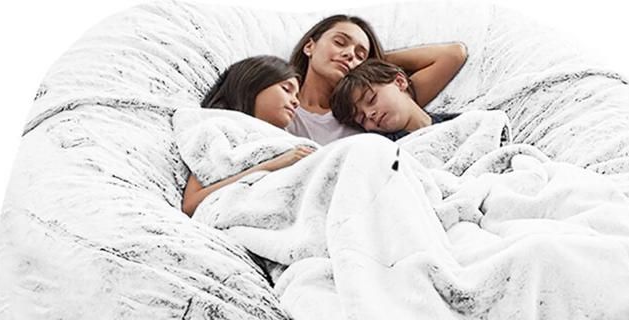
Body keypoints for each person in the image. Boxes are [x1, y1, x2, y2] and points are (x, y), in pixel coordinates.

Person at [286, 14, 468, 145]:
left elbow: (454, 54)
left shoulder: (384, 102)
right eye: (339, 42)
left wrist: (375, 63)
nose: (350, 54)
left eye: (360, 55)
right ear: (309, 46)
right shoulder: (282, 106)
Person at [181, 55, 316, 217]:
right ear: (254, 85)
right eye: (286, 89)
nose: (296, 102)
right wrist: (273, 165)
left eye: (297, 96)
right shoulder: (220, 129)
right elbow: (191, 204)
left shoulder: (287, 141)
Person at [330, 58, 461, 141]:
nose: (369, 114)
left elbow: (453, 54)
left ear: (399, 82)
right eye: (362, 119)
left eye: (371, 99)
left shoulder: (457, 121)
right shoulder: (383, 149)